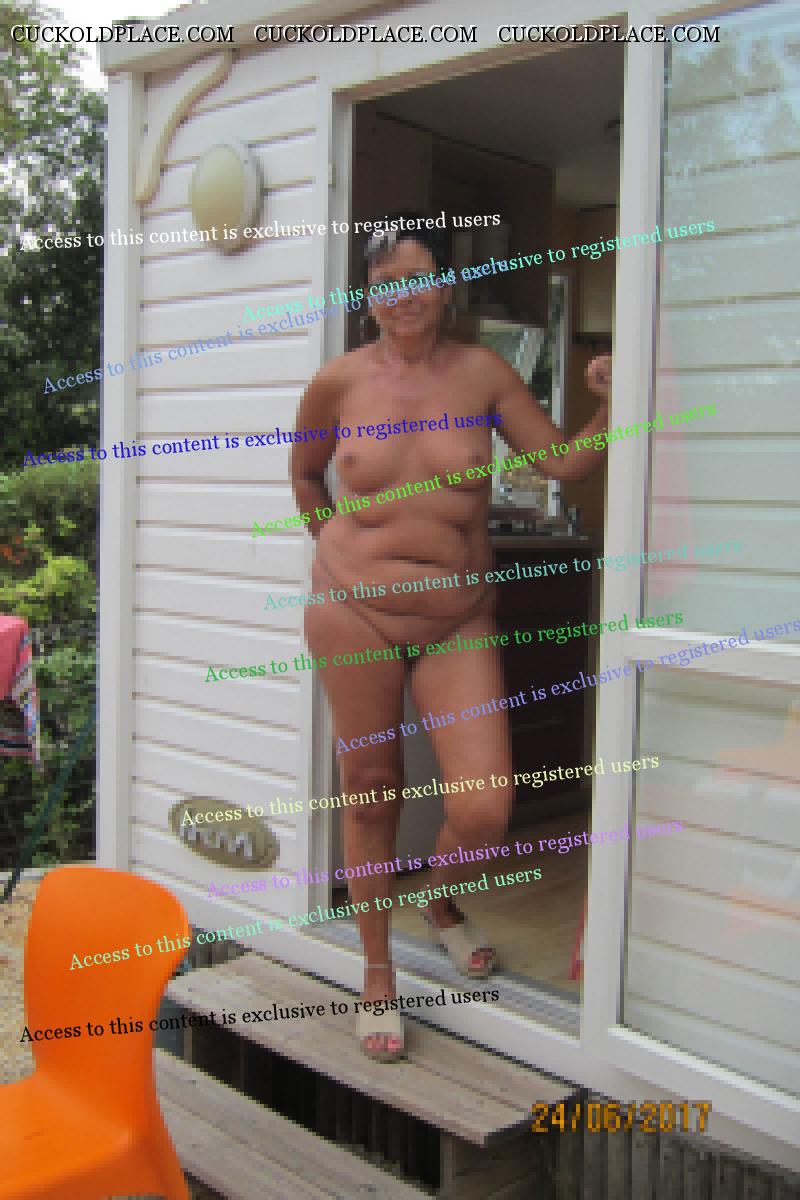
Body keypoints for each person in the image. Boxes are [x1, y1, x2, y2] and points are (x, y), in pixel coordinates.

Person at [291, 216, 611, 1062]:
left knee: (483, 805)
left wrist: (611, 404)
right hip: (352, 611)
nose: (405, 294)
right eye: (387, 282)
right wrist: (336, 552)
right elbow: (304, 474)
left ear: (444, 289)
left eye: (420, 277)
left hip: (456, 615)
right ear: (368, 297)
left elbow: (563, 464)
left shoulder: (482, 374)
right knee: (370, 789)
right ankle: (376, 971)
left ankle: (437, 900)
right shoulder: (335, 382)